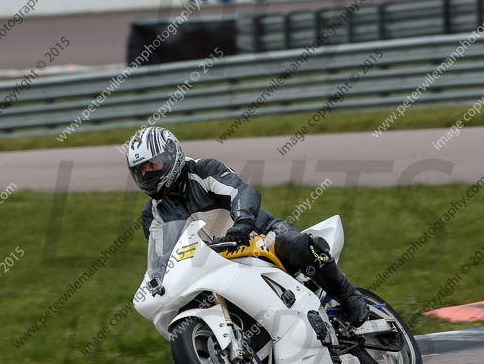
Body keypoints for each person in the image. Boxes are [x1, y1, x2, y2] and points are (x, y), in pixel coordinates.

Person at [126, 126, 369, 326]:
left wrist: (242, 222)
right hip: (213, 265)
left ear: (171, 155)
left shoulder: (203, 170)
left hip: (257, 235)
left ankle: (349, 297)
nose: (147, 173)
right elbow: (162, 258)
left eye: (152, 165)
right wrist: (158, 283)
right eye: (141, 170)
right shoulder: (153, 212)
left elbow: (243, 191)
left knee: (298, 245)